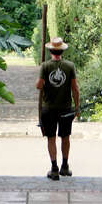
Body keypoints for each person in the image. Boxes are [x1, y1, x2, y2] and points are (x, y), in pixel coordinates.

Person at [36, 37, 80, 180]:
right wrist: (77, 107)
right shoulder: (70, 66)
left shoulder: (45, 66)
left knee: (51, 138)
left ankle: (54, 168)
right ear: (62, 51)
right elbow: (75, 88)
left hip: (48, 108)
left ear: (50, 50)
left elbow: (38, 85)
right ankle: (65, 167)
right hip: (66, 108)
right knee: (65, 137)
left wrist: (42, 78)